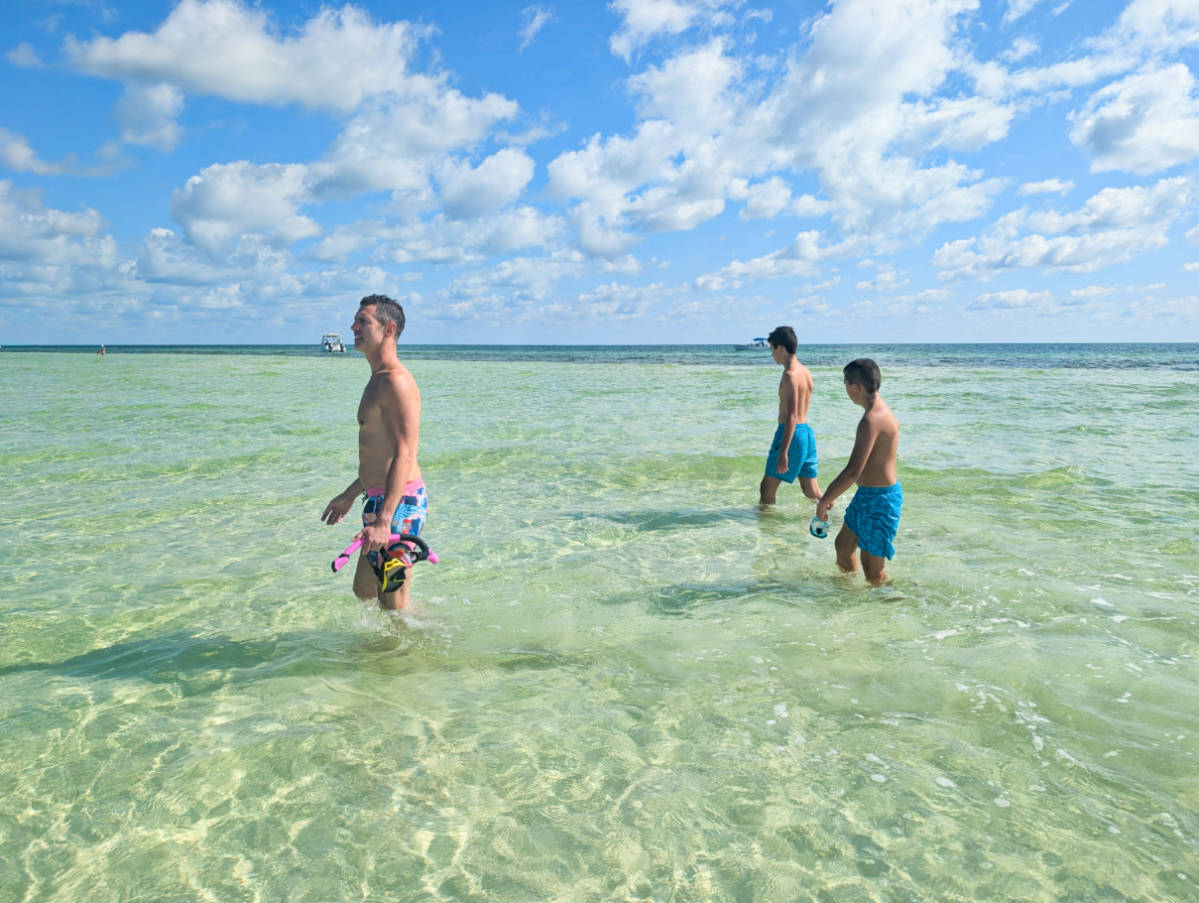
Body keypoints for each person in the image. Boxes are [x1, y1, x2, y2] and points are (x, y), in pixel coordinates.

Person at [321, 295, 426, 611]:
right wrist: (351, 494)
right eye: (355, 321)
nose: (353, 327)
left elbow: (403, 455)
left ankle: (415, 651)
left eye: (362, 321)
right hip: (379, 498)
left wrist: (384, 520)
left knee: (392, 605)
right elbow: (379, 455)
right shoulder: (377, 380)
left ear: (389, 329)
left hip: (399, 504)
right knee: (365, 590)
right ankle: (421, 630)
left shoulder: (395, 381)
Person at [816, 358, 902, 585]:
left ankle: (896, 606)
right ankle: (849, 597)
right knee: (843, 549)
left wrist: (825, 500)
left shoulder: (871, 420)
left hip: (881, 500)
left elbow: (854, 471)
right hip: (867, 496)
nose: (846, 392)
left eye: (845, 386)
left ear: (856, 387)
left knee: (873, 572)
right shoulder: (880, 411)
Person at [759, 325, 822, 507]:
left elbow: (792, 416)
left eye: (772, 349)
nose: (772, 354)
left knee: (767, 488)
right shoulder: (805, 372)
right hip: (806, 434)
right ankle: (831, 517)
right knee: (812, 491)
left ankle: (766, 530)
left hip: (791, 433)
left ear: (781, 348)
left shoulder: (790, 375)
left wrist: (784, 452)